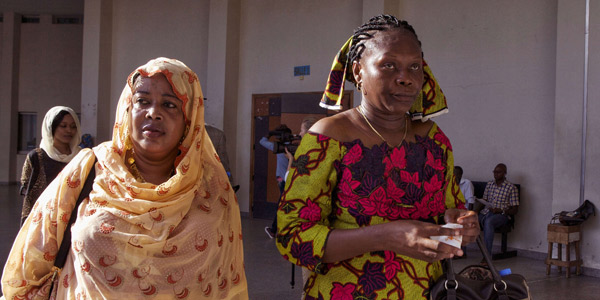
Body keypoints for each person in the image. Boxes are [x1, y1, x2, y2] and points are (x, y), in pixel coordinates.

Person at [2, 58, 248, 299]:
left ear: (189, 118)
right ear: (128, 109)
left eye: (170, 104)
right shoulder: (89, 168)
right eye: (142, 101)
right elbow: (29, 264)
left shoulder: (213, 191)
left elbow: (227, 283)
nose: (154, 113)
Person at [276, 15, 479, 300]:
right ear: (358, 72)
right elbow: (292, 239)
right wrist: (386, 236)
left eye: (414, 67)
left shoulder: (433, 140)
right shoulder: (329, 138)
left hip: (429, 292)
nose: (405, 77)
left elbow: (452, 208)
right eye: (388, 65)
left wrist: (462, 223)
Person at [19, 106, 82, 225]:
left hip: (74, 218)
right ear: (51, 127)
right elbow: (28, 191)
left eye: (73, 126)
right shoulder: (36, 157)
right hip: (43, 219)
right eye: (63, 126)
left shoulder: (82, 156)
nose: (69, 130)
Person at [260, 124, 294, 238]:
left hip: (282, 180)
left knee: (281, 205)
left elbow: (262, 141)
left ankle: (274, 230)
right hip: (292, 179)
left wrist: (270, 133)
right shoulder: (295, 147)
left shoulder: (277, 147)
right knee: (286, 204)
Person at [478, 163, 519, 255]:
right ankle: (461, 252)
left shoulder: (511, 188)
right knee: (468, 219)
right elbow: (485, 200)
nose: (496, 174)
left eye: (498, 172)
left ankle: (487, 255)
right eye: (494, 172)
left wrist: (501, 210)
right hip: (486, 212)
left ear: (505, 173)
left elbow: (515, 210)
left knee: (489, 222)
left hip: (502, 215)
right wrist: (475, 211)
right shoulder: (490, 184)